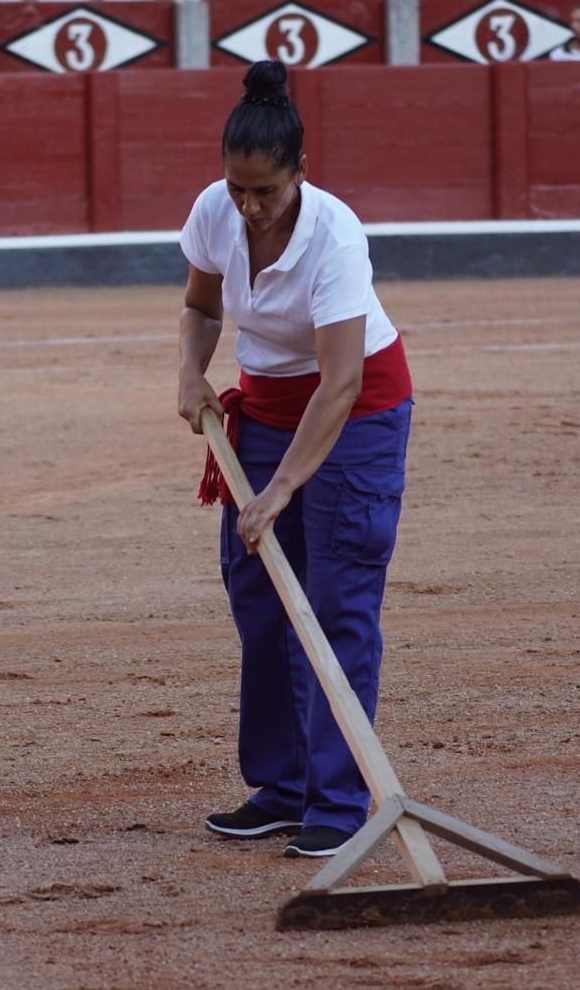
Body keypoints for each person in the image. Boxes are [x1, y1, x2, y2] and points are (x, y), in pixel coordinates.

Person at [177, 60, 416, 861]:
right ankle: (281, 788)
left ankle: (340, 799)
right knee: (260, 595)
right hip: (268, 413)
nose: (247, 206)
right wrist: (190, 369)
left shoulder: (335, 233)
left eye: (265, 192)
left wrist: (281, 488)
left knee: (336, 599)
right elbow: (201, 308)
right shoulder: (215, 209)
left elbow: (343, 382)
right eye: (237, 189)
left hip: (357, 417)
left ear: (301, 174)